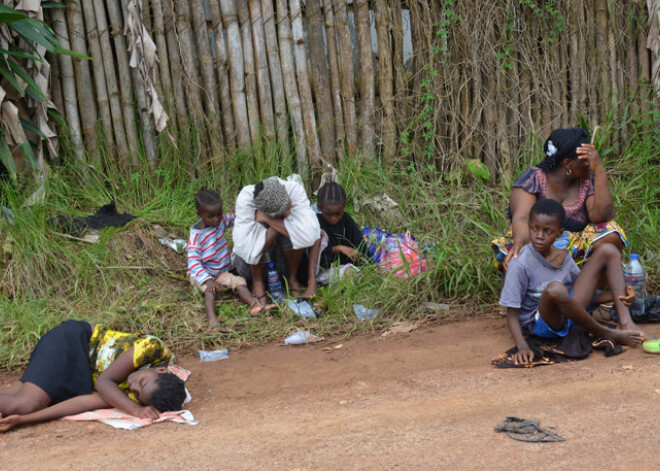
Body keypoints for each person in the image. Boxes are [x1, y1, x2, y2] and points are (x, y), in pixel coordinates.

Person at [499, 198, 648, 365]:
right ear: (529, 227)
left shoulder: (563, 257)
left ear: (559, 232)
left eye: (547, 231)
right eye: (534, 229)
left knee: (609, 250)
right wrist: (522, 345)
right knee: (555, 289)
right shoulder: (520, 264)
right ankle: (605, 332)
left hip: (570, 313)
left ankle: (626, 322)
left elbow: (583, 296)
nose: (539, 236)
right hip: (541, 323)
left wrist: (618, 296)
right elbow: (511, 311)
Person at [0, 320, 186, 432]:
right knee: (26, 404)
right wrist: (135, 410)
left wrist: (22, 420)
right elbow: (105, 382)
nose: (133, 387)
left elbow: (84, 403)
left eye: (137, 394)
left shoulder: (138, 395)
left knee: (17, 403)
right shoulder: (153, 348)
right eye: (142, 382)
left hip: (78, 372)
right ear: (161, 370)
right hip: (74, 342)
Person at [492, 127, 627, 274]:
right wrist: (519, 244)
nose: (591, 164)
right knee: (520, 249)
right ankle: (537, 290)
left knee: (611, 234)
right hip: (536, 247)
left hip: (575, 257)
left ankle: (587, 292)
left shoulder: (586, 182)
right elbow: (522, 218)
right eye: (586, 160)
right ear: (568, 164)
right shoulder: (533, 179)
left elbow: (601, 217)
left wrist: (600, 171)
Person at [232, 177, 321, 301]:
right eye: (284, 211)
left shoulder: (294, 189)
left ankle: (292, 278)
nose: (289, 212)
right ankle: (258, 283)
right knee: (260, 228)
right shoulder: (246, 199)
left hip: (282, 262)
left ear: (284, 189)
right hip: (250, 265)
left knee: (296, 226)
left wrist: (270, 220)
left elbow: (313, 234)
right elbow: (249, 252)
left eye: (288, 206)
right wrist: (275, 224)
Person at [188, 189, 262, 327]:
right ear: (199, 214)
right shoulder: (196, 236)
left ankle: (255, 305)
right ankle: (212, 321)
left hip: (221, 272)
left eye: (219, 214)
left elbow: (231, 218)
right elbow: (194, 263)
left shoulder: (219, 221)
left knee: (239, 282)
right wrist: (207, 279)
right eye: (211, 216)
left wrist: (239, 210)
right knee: (210, 292)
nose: (216, 219)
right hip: (202, 273)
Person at [316, 182, 366, 268]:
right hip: (324, 269)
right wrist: (336, 249)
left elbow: (361, 247)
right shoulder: (315, 222)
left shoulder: (346, 219)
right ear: (319, 207)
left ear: (343, 207)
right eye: (329, 214)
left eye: (338, 214)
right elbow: (314, 255)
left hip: (348, 266)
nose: (334, 218)